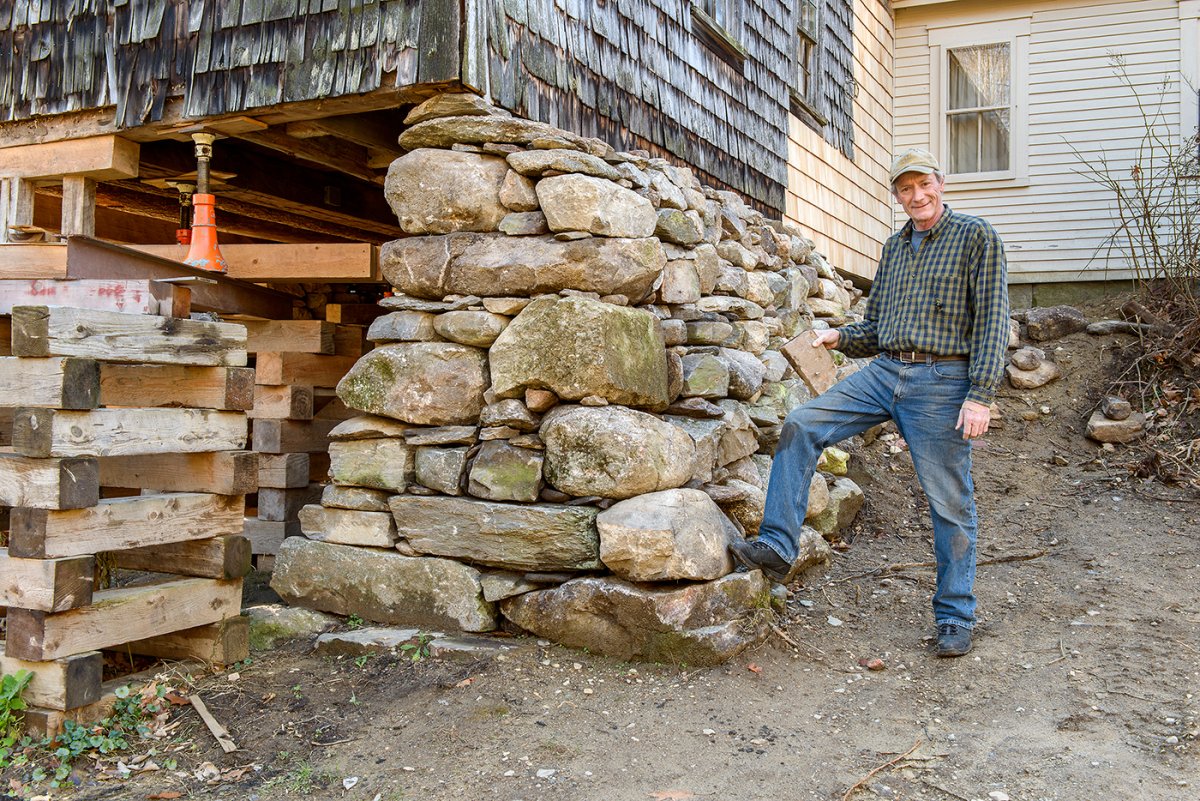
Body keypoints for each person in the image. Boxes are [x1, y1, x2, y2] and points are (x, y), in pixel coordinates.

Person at [730, 148, 1009, 658]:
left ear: (940, 184)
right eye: (906, 189)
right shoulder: (894, 247)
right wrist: (840, 337)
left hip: (943, 380)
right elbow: (878, 327)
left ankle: (954, 616)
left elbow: (993, 320)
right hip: (885, 372)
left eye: (923, 185)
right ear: (897, 195)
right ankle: (776, 546)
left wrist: (981, 395)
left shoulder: (976, 236)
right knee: (802, 423)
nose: (916, 196)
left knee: (949, 501)